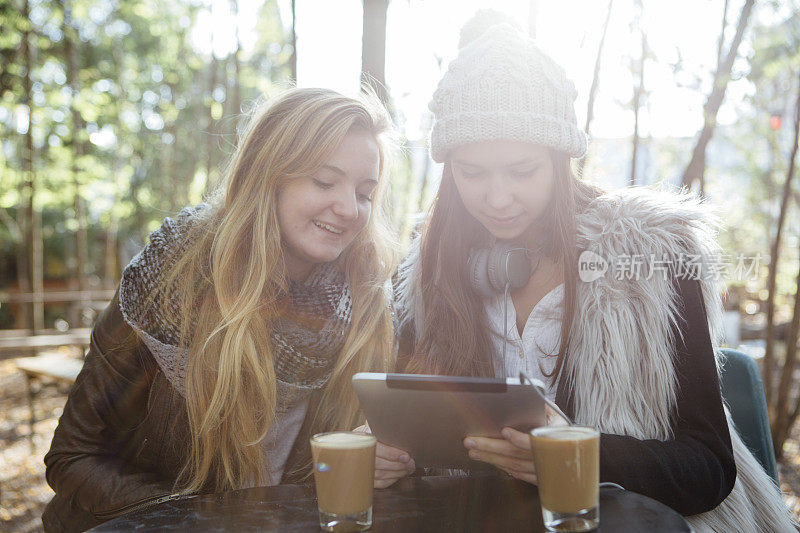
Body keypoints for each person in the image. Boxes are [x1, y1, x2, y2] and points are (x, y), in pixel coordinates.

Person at [376, 14, 796, 533]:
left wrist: (580, 453)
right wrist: (391, 458)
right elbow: (425, 447)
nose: (498, 198)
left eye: (522, 171)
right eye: (472, 173)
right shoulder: (426, 278)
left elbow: (708, 467)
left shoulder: (654, 254)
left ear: (560, 159)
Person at [42, 87, 398, 532]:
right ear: (268, 175)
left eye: (365, 193)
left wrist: (376, 465)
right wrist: (210, 519)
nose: (348, 209)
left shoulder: (365, 305)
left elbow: (318, 481)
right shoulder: (171, 276)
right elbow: (72, 459)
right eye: (325, 182)